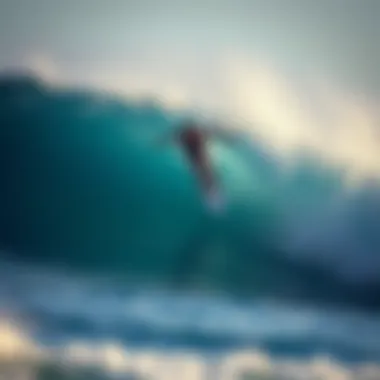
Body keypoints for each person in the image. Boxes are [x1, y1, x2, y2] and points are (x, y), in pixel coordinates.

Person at [157, 120, 237, 213]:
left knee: (203, 171)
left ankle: (212, 192)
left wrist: (163, 141)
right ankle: (212, 193)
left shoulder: (190, 135)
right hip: (197, 158)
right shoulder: (187, 136)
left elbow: (213, 133)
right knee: (203, 171)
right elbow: (173, 139)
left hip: (198, 157)